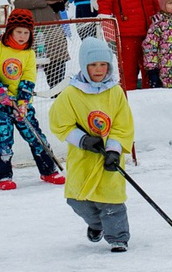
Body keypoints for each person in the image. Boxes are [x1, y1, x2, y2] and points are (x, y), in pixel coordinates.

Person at [49, 33, 135, 251]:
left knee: (111, 202)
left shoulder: (115, 92)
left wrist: (114, 149)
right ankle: (97, 224)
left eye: (103, 64)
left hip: (109, 159)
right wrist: (83, 140)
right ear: (84, 65)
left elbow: (122, 124)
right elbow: (60, 123)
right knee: (77, 200)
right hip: (83, 158)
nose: (98, 69)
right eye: (93, 64)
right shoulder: (71, 93)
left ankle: (118, 238)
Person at [0, 10, 64, 187]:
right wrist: (0, 91)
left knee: (36, 136)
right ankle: (3, 176)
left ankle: (48, 170)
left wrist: (23, 102)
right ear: (10, 31)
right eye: (19, 32)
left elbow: (29, 79)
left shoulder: (29, 53)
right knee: (4, 138)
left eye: (26, 32)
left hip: (21, 104)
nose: (22, 36)